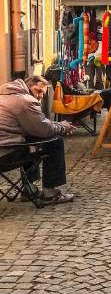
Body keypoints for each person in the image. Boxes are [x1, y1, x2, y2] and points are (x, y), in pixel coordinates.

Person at [0, 76, 77, 205]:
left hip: (4, 150)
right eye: (38, 91)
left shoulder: (5, 95)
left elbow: (37, 124)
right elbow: (42, 129)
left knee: (30, 139)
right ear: (28, 86)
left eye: (43, 93)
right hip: (4, 156)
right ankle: (50, 194)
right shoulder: (25, 100)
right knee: (54, 142)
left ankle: (29, 189)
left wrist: (58, 125)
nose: (40, 96)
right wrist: (62, 127)